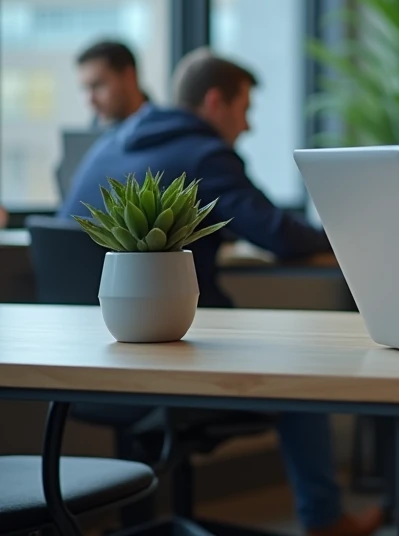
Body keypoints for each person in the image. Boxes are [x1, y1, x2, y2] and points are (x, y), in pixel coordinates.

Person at [59, 48, 380, 536]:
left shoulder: (111, 143)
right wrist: (348, 234)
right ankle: (327, 522)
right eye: (245, 110)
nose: (247, 126)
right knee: (307, 377)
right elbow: (278, 234)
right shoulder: (205, 153)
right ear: (215, 102)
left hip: (89, 362)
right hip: (177, 362)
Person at [76, 40, 150, 126]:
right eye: (85, 88)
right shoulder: (94, 129)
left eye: (98, 86)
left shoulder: (164, 130)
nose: (90, 100)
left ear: (129, 76)